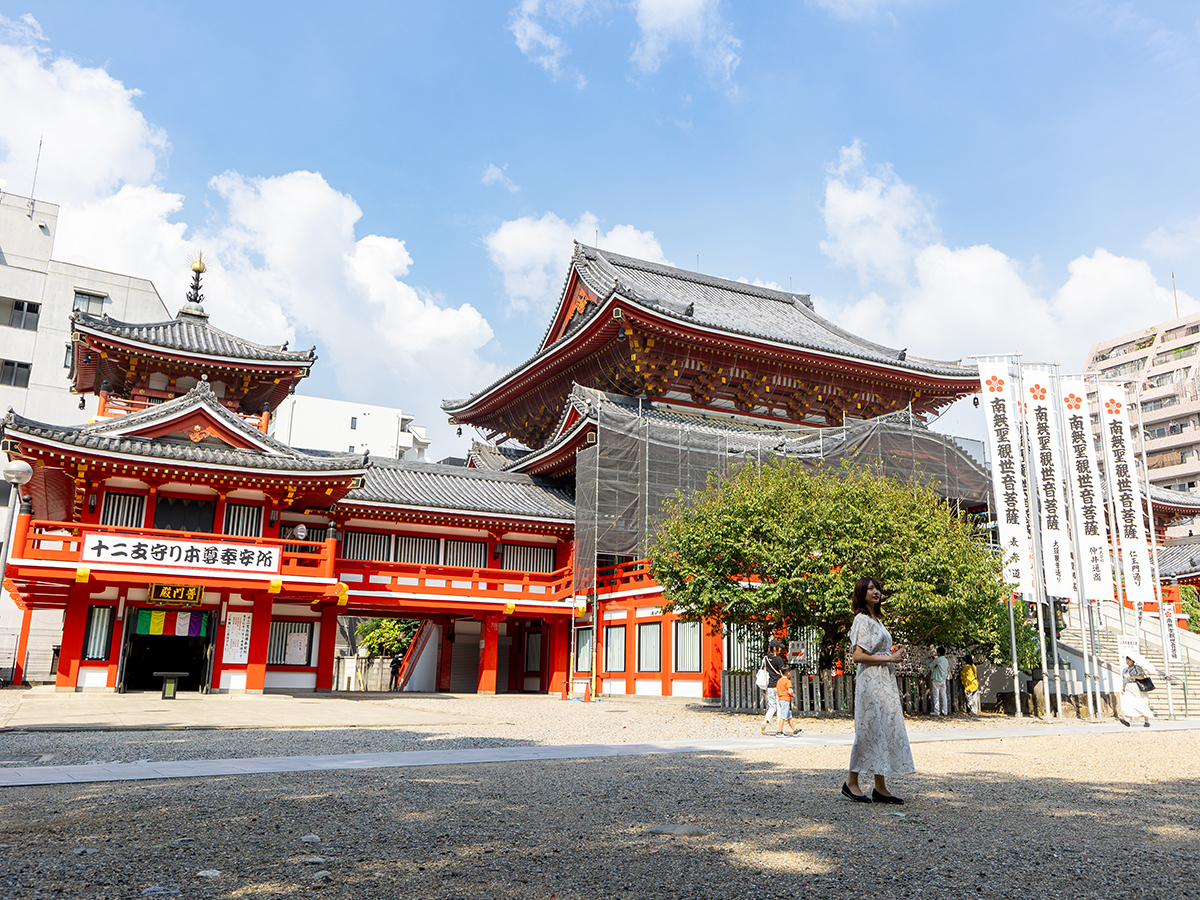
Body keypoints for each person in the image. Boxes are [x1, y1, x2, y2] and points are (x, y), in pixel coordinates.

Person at [842, 577, 914, 804]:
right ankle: (851, 782)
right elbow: (857, 656)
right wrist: (889, 657)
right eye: (870, 588)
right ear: (861, 593)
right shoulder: (862, 619)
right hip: (871, 683)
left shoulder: (876, 620)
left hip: (883, 681)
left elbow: (880, 653)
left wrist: (895, 657)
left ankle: (880, 787)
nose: (876, 592)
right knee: (869, 730)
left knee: (881, 730)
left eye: (877, 588)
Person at [760, 640, 790, 735]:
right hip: (778, 685)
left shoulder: (765, 658)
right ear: (774, 648)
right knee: (780, 707)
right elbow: (782, 672)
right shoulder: (778, 659)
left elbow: (764, 670)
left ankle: (765, 721)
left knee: (772, 707)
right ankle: (779, 729)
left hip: (770, 685)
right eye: (779, 647)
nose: (780, 649)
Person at [1119, 655, 1154, 728]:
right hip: (1129, 686)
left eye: (1129, 659)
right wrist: (1123, 688)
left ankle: (1146, 720)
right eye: (1127, 660)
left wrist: (1132, 677)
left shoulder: (1137, 668)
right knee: (1129, 702)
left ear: (1133, 661)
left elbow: (1142, 677)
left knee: (1142, 702)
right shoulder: (1125, 670)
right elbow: (1124, 680)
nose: (1128, 661)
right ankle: (1127, 720)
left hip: (1138, 686)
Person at [772, 665, 802, 736]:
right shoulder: (788, 681)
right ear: (788, 673)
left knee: (789, 716)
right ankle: (779, 731)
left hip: (780, 699)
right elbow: (789, 691)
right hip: (786, 699)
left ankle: (795, 730)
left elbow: (776, 690)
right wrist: (792, 694)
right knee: (783, 716)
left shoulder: (779, 681)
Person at [929, 646, 949, 716]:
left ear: (939, 653)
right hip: (943, 679)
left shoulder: (938, 659)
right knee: (943, 695)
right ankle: (945, 711)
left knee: (936, 695)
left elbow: (931, 666)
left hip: (936, 679)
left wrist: (929, 660)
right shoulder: (946, 660)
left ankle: (936, 711)